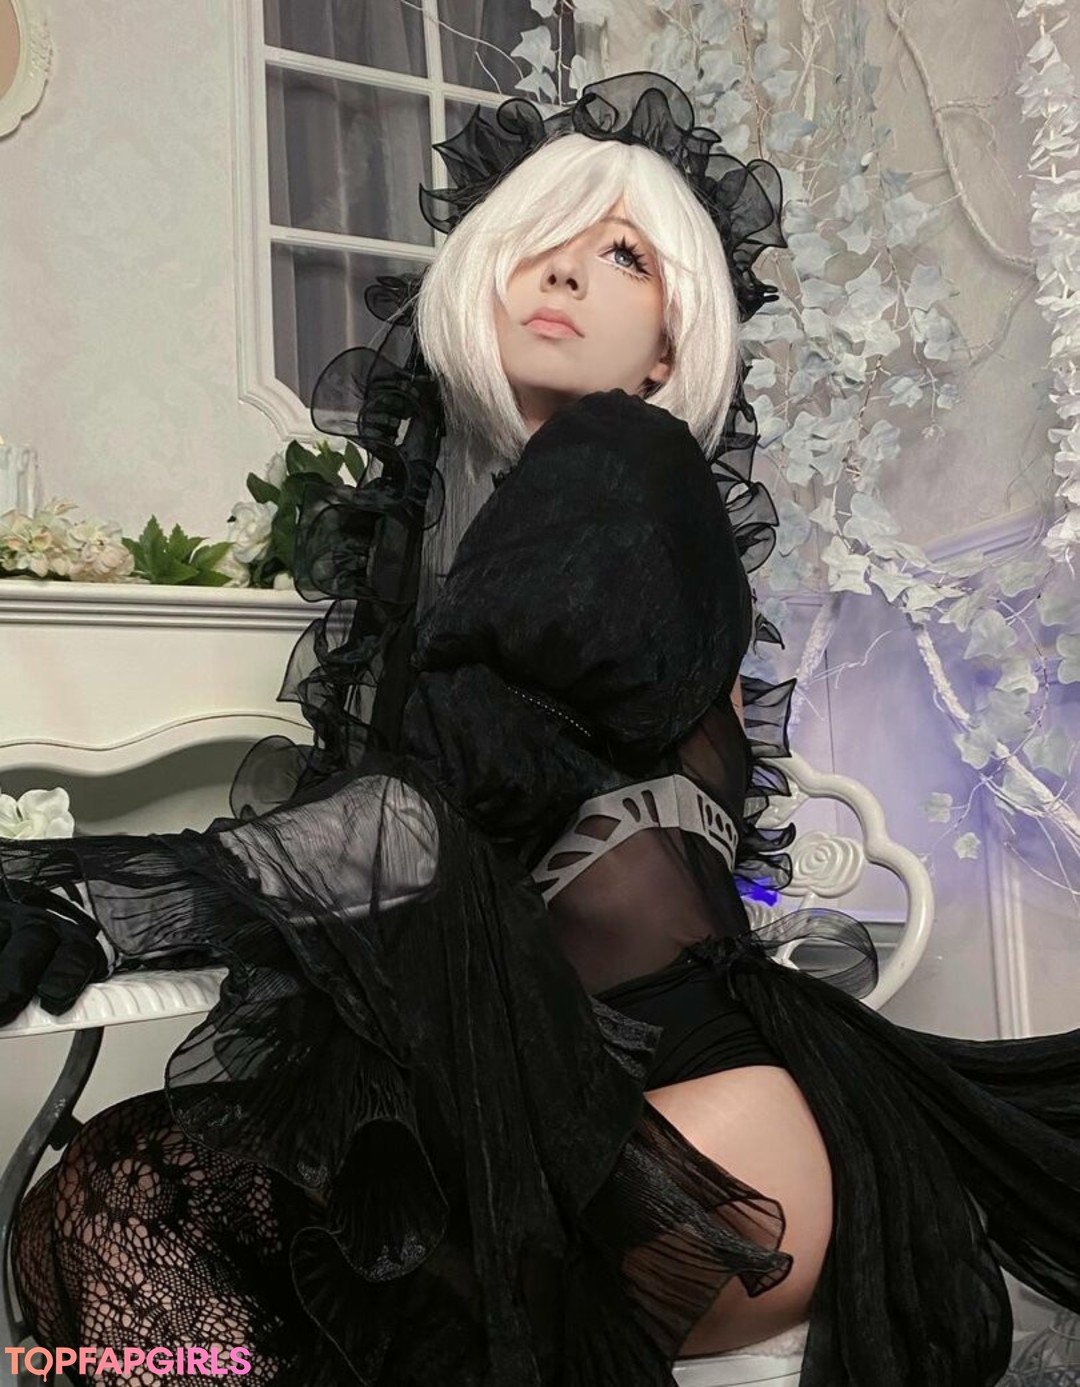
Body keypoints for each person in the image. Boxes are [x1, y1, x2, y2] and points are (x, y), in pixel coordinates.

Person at [1, 73, 1079, 1387]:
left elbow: (427, 813)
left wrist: (108, 898)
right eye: (536, 240)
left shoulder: (622, 459)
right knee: (120, 1200)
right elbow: (435, 856)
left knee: (127, 1196)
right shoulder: (537, 526)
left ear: (669, 351)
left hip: (689, 1150)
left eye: (622, 256)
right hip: (617, 1120)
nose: (561, 270)